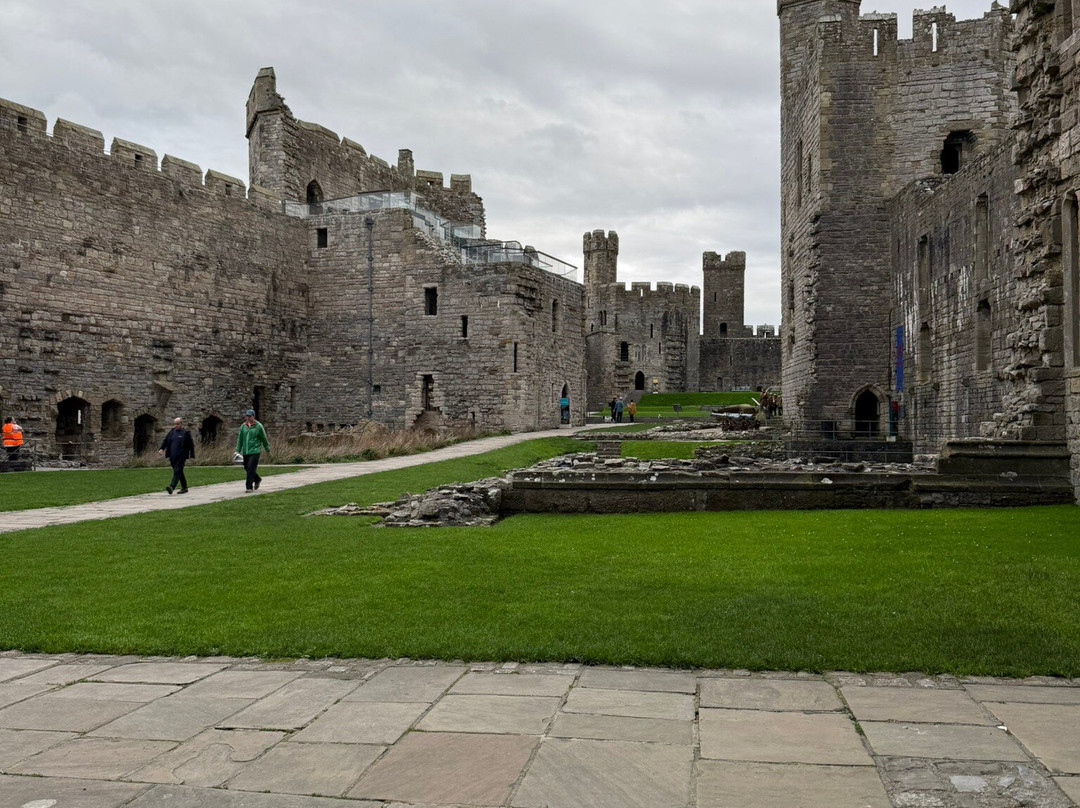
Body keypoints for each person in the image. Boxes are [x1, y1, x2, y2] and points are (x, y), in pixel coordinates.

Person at [236, 409, 270, 492]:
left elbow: (263, 438)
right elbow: (240, 439)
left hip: (255, 451)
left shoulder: (258, 426)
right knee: (246, 467)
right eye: (247, 416)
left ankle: (249, 487)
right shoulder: (243, 426)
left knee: (251, 468)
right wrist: (237, 450)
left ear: (253, 416)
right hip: (246, 451)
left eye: (249, 416)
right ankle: (257, 479)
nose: (248, 418)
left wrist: (267, 449)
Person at [158, 417, 195, 494]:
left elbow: (191, 445)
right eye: (175, 424)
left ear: (181, 424)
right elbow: (166, 441)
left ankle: (172, 487)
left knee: (177, 471)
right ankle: (184, 487)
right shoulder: (172, 432)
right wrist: (162, 449)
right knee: (179, 471)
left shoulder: (185, 433)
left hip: (181, 456)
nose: (176, 425)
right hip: (172, 456)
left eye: (177, 424)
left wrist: (192, 455)